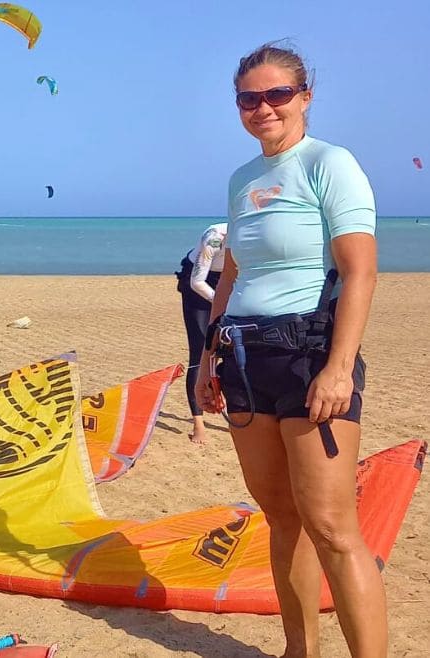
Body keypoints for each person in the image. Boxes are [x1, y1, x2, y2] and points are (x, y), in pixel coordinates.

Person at [196, 44, 383, 657]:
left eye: (277, 94)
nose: (263, 108)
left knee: (332, 527)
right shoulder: (242, 179)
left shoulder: (329, 163)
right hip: (244, 358)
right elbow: (232, 273)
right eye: (250, 98)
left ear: (304, 96)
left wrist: (337, 368)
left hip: (309, 354)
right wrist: (206, 356)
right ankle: (299, 652)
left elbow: (359, 273)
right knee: (281, 519)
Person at [175, 222, 227, 443]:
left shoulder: (255, 236)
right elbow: (198, 281)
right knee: (200, 351)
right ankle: (198, 424)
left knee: (231, 350)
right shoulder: (215, 237)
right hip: (196, 282)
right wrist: (221, 304)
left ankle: (233, 412)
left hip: (225, 280)